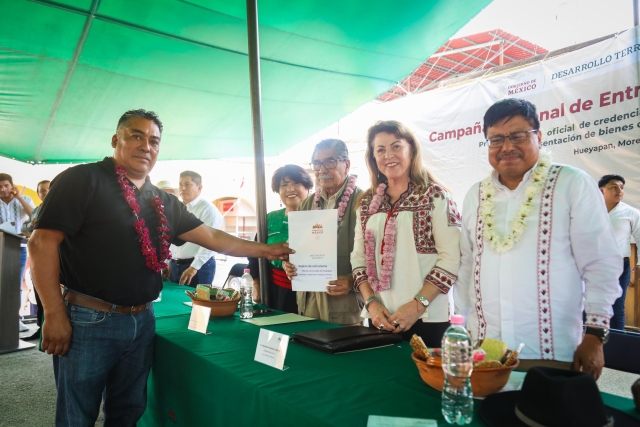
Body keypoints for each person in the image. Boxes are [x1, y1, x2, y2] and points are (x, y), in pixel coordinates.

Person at [28, 109, 293, 426]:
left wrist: (266, 249)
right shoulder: (82, 180)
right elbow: (41, 243)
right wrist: (54, 314)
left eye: (154, 140)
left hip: (142, 319)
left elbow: (209, 235)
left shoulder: (162, 200)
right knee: (77, 415)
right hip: (88, 319)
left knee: (128, 411)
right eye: (136, 136)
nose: (146, 146)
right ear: (116, 140)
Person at [454, 99, 621, 379]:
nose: (506, 147)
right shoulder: (476, 194)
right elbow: (467, 266)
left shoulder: (571, 184)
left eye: (518, 136)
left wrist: (595, 335)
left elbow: (600, 263)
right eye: (496, 139)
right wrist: (461, 331)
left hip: (551, 350)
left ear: (539, 137)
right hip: (487, 349)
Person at [350, 121, 461, 347]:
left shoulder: (436, 197)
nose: (388, 155)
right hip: (380, 318)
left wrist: (417, 306)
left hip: (429, 317)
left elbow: (451, 259)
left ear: (411, 149)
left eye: (396, 146)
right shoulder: (367, 203)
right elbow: (358, 259)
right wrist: (371, 304)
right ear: (373, 157)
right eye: (380, 150)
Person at [283, 139, 363, 325]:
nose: (322, 169)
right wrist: (291, 264)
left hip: (345, 304)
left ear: (347, 165)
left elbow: (380, 257)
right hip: (308, 301)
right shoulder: (307, 204)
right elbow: (296, 248)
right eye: (317, 164)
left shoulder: (363, 201)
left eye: (330, 162)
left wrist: (353, 282)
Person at [248, 165, 313, 312]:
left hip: (313, 294)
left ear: (307, 187)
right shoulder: (269, 219)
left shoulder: (321, 218)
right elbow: (254, 255)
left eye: (296, 183)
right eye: (284, 185)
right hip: (274, 292)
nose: (290, 189)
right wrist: (256, 284)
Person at [599, 174, 640, 330]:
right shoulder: (589, 210)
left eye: (621, 187)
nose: (619, 190)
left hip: (618, 265)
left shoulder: (631, 213)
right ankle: (585, 343)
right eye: (614, 187)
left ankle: (617, 346)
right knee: (586, 306)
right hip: (590, 263)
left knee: (616, 307)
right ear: (601, 191)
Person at [169, 171, 223, 287]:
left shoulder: (207, 209)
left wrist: (194, 267)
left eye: (187, 184)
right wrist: (167, 262)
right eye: (180, 184)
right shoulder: (177, 207)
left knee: (197, 304)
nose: (182, 188)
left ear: (199, 187)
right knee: (175, 303)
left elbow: (210, 242)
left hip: (199, 267)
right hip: (175, 265)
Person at [0, 173, 36, 332]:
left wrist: (20, 198)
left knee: (15, 285)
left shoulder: (25, 199)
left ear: (12, 186)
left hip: (18, 247)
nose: (3, 189)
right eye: (0, 186)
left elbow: (35, 217)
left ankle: (14, 319)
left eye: (6, 185)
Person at [20, 179, 51, 340]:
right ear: (38, 194)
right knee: (39, 293)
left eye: (48, 189)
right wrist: (32, 226)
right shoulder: (36, 210)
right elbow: (24, 228)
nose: (45, 192)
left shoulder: (60, 207)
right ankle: (41, 328)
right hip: (37, 257)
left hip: (56, 258)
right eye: (42, 190)